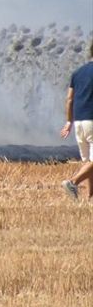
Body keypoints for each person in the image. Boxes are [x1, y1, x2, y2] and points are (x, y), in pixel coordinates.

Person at [59, 39, 93, 201]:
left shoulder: (78, 72)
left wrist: (68, 121)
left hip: (79, 121)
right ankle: (72, 182)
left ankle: (90, 197)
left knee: (89, 163)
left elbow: (69, 99)